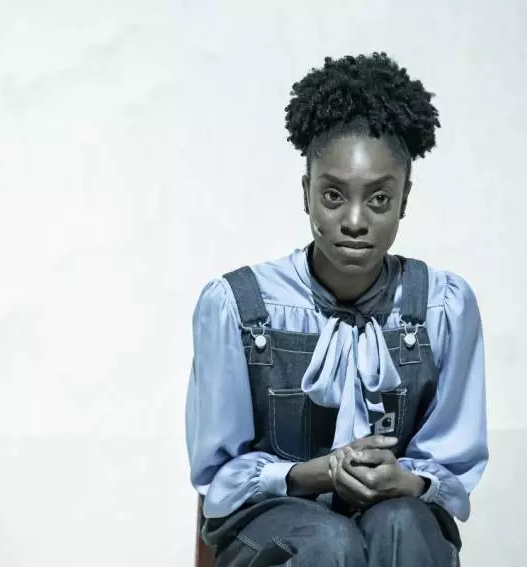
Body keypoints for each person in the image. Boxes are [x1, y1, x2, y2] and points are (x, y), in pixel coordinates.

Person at [185, 52, 488, 567]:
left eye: (379, 199)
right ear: (306, 192)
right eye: (332, 195)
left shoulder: (443, 306)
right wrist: (318, 473)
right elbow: (218, 476)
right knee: (330, 543)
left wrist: (405, 480)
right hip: (270, 520)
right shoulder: (237, 305)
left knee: (401, 523)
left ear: (404, 199)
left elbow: (449, 464)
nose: (354, 220)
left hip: (397, 518)